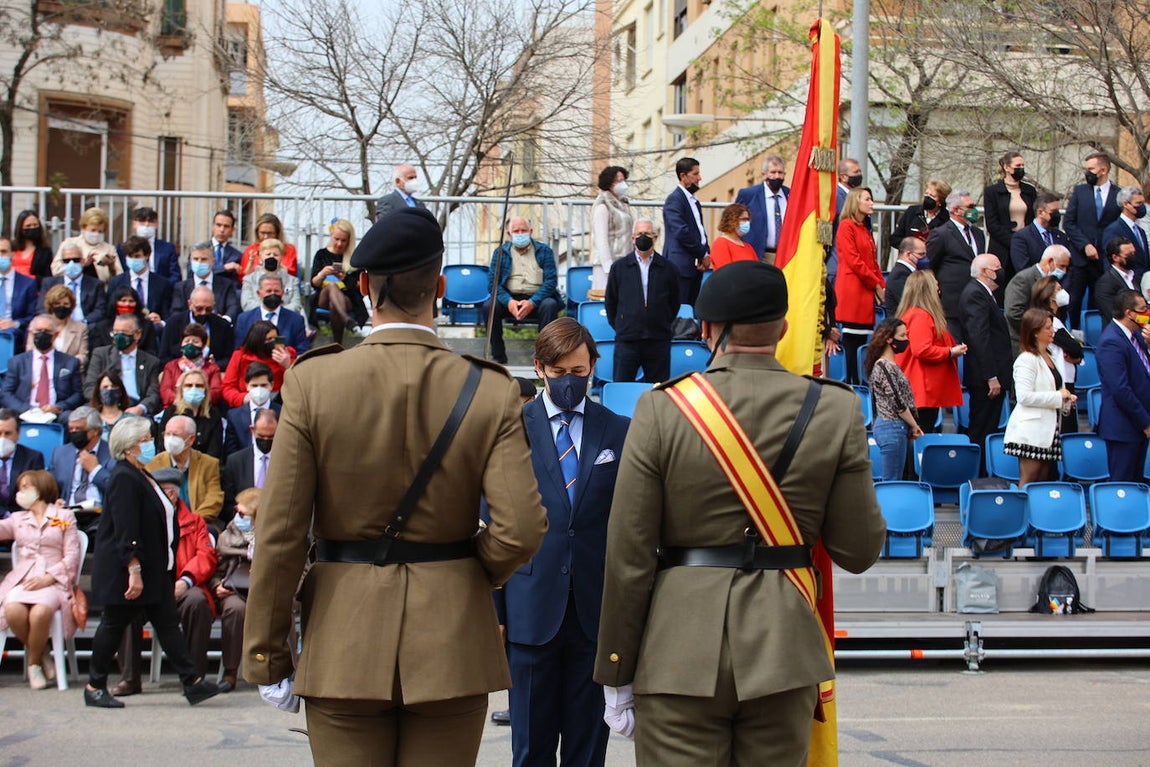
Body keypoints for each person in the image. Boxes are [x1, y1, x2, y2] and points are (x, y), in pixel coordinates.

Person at [243, 207, 548, 766]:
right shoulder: (490, 388)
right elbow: (522, 529)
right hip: (452, 642)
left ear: (364, 285)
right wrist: (459, 574)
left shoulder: (314, 381)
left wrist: (268, 655)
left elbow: (281, 533)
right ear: (438, 285)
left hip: (342, 639)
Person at [594, 260, 886, 766]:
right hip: (785, 650)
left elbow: (629, 554)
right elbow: (858, 550)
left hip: (677, 649)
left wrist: (616, 669)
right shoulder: (835, 409)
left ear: (706, 330)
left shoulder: (662, 409)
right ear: (784, 329)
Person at [495, 318, 629, 767]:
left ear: (594, 365)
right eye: (559, 372)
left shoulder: (619, 431)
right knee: (529, 749)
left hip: (596, 614)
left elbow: (632, 525)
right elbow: (491, 523)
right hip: (530, 613)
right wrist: (495, 611)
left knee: (588, 751)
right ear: (539, 368)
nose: (569, 381)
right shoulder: (511, 429)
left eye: (579, 371)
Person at [83, 416, 219, 708]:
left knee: (167, 623)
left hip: (154, 569)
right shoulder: (123, 477)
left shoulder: (142, 473)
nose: (149, 443)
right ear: (130, 447)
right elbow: (126, 527)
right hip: (130, 570)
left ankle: (191, 682)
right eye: (144, 440)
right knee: (113, 623)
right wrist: (134, 569)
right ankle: (94, 685)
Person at [111, 466, 218, 697]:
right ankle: (129, 678)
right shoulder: (141, 520)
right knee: (127, 605)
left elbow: (205, 555)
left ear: (172, 494)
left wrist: (185, 580)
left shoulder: (195, 522)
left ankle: (194, 678)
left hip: (182, 583)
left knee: (197, 602)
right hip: (150, 585)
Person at [0, 469, 80, 689]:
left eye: (26, 487)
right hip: (24, 578)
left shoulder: (64, 516)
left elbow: (72, 555)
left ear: (40, 488)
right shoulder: (17, 519)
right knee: (12, 608)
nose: (20, 492)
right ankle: (42, 654)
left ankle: (33, 664)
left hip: (53, 580)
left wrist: (49, 577)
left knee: (40, 613)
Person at [1004, 309, 1076, 487]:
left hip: (1050, 429)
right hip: (1032, 431)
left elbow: (1055, 389)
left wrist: (1066, 399)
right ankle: (1022, 515)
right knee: (1029, 481)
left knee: (1041, 482)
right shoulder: (1027, 359)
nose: (1053, 331)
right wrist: (1058, 396)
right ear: (1035, 331)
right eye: (1048, 328)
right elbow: (1024, 396)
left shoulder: (1050, 356)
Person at [604, 219, 680, 383]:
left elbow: (675, 301)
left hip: (658, 339)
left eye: (647, 233)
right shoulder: (619, 267)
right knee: (622, 387)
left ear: (655, 237)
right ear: (632, 238)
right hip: (627, 340)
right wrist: (621, 325)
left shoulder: (668, 268)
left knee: (657, 391)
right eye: (639, 234)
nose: (643, 237)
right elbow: (611, 301)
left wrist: (663, 321)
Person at [483, 217, 562, 364]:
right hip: (510, 299)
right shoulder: (500, 252)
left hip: (537, 299)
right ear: (509, 233)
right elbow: (493, 284)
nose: (520, 234)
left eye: (523, 230)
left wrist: (532, 302)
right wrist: (509, 302)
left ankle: (544, 357)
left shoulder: (544, 251)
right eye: (516, 231)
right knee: (489, 307)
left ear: (531, 231)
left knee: (550, 305)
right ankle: (498, 357)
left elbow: (551, 282)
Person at [895, 270, 966, 433]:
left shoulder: (912, 314)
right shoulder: (921, 316)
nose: (938, 287)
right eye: (935, 284)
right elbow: (922, 349)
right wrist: (950, 352)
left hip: (919, 388)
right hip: (921, 389)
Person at [959, 254, 1013, 462]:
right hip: (986, 378)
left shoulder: (984, 293)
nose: (1000, 270)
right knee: (982, 427)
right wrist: (991, 375)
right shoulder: (975, 294)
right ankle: (976, 473)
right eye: (996, 267)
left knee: (988, 426)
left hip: (992, 374)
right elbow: (979, 337)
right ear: (984, 272)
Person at [1097, 289, 1150, 481]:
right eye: (1143, 309)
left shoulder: (1136, 336)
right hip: (1124, 427)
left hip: (1138, 426)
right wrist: (1145, 422)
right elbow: (1121, 389)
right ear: (1129, 313)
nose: (1148, 313)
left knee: (1136, 483)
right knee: (1122, 484)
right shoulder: (1111, 341)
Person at [834, 186, 886, 384]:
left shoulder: (864, 228)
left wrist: (881, 283)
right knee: (851, 341)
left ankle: (860, 382)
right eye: (867, 199)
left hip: (865, 289)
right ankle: (852, 382)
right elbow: (854, 260)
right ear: (856, 202)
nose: (871, 202)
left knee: (862, 341)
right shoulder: (847, 226)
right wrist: (876, 284)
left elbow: (872, 260)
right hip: (853, 291)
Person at [1064, 152, 1121, 323]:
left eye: (1091, 169)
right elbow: (1069, 222)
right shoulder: (1080, 192)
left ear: (1103, 170)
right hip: (1081, 259)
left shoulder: (1118, 194)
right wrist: (1085, 245)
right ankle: (1074, 337)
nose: (1087, 172)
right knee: (1073, 301)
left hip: (1104, 259)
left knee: (1101, 302)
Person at [213, 486, 260, 693]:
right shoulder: (226, 536)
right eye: (236, 511)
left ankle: (281, 673)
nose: (237, 516)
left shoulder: (274, 536)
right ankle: (230, 671)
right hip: (234, 590)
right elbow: (215, 570)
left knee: (277, 609)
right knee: (234, 609)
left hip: (265, 592)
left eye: (243, 514)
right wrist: (218, 586)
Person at [867, 319, 923, 481]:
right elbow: (898, 402)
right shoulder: (884, 367)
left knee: (895, 478)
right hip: (892, 427)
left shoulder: (890, 365)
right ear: (889, 339)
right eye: (902, 335)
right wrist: (914, 425)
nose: (906, 339)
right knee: (892, 480)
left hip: (895, 427)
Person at [925, 190, 986, 340]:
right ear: (956, 210)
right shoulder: (941, 234)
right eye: (970, 206)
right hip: (952, 306)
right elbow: (929, 266)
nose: (974, 210)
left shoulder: (978, 234)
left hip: (975, 304)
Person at [0, 313, 84, 418]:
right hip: (24, 413)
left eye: (47, 331)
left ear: (56, 335)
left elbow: (78, 394)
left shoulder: (70, 362)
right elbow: (6, 393)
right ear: (31, 333)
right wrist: (27, 410)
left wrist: (58, 407)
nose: (42, 334)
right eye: (39, 331)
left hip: (56, 414)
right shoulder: (17, 362)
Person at [145, 414, 225, 525]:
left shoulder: (208, 464)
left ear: (191, 439)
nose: (170, 439)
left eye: (175, 435)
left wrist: (191, 521)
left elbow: (214, 499)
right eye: (167, 434)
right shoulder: (153, 464)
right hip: (164, 524)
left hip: (198, 524)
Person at [1029, 277, 1084, 436]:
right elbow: (1074, 347)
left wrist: (1077, 355)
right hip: (1057, 380)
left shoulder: (1059, 319)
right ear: (1048, 295)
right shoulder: (1046, 320)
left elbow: (1076, 351)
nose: (1063, 293)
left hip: (1066, 377)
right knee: (1064, 429)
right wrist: (1076, 352)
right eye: (1058, 290)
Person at [84, 313, 163, 417]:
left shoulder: (151, 361)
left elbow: (153, 394)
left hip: (135, 409)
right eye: (115, 332)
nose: (118, 336)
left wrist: (141, 408)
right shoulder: (101, 355)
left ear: (137, 334)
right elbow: (89, 387)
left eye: (123, 332)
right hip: (106, 406)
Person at [309, 219, 369, 343]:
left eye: (343, 240)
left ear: (349, 240)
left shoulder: (354, 258)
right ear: (331, 236)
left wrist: (345, 278)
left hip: (347, 298)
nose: (339, 244)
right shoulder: (321, 254)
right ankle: (347, 322)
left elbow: (361, 286)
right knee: (331, 286)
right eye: (336, 239)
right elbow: (314, 283)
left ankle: (337, 343)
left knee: (334, 305)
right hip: (323, 296)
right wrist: (322, 274)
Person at [1004, 244, 1071, 355]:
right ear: (1050, 262)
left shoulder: (1054, 281)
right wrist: (1039, 330)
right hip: (1024, 343)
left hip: (1048, 343)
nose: (1064, 271)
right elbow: (1013, 313)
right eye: (1062, 266)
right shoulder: (1023, 279)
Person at [662, 157, 710, 305]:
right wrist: (702, 253)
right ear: (683, 176)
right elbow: (681, 232)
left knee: (692, 309)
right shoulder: (674, 200)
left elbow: (699, 230)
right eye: (695, 174)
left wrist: (706, 252)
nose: (699, 178)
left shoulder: (694, 201)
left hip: (694, 266)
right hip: (680, 267)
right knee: (681, 310)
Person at [983, 150, 1036, 279]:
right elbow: (992, 223)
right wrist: (1014, 241)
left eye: (1023, 166)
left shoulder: (1030, 190)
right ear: (1007, 167)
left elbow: (1033, 218)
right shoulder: (992, 192)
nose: (1021, 169)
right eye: (1017, 166)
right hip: (1002, 247)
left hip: (1025, 245)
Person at [49, 406, 114, 508]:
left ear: (95, 431)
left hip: (99, 515)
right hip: (68, 513)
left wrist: (95, 470)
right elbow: (50, 487)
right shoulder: (60, 453)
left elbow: (118, 489)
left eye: (79, 429)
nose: (74, 432)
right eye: (71, 429)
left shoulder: (113, 453)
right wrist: (55, 501)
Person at [221, 320, 297, 408]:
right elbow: (228, 387)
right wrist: (243, 398)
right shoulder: (240, 356)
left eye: (275, 338)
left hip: (280, 404)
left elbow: (299, 385)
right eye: (269, 339)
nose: (273, 342)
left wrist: (288, 365)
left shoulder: (287, 355)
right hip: (247, 405)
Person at [155, 369, 224, 461]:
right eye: (189, 385)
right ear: (181, 390)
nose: (194, 389)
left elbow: (214, 451)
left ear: (205, 390)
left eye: (199, 386)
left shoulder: (213, 414)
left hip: (204, 468)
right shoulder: (171, 412)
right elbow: (163, 446)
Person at [159, 285, 236, 367]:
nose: (203, 313)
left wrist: (213, 365)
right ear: (190, 304)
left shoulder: (223, 326)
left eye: (208, 309)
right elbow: (164, 358)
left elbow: (229, 359)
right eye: (199, 309)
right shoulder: (173, 323)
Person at [233, 273, 310, 354]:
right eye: (268, 291)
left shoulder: (296, 320)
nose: (273, 294)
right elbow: (239, 350)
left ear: (282, 293)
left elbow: (302, 351)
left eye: (276, 291)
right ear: (259, 293)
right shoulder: (244, 319)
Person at [107, 236, 173, 330]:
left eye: (137, 256)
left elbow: (166, 313)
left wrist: (160, 321)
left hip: (151, 329)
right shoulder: (116, 282)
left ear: (147, 256)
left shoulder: (162, 283)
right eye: (130, 256)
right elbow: (110, 311)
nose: (133, 260)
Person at [222, 407, 277, 516]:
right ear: (252, 430)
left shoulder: (287, 462)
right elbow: (226, 504)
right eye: (261, 436)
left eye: (271, 437)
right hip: (244, 526)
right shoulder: (236, 461)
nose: (265, 440)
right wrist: (240, 513)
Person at [170, 242, 243, 323]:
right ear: (190, 261)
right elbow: (176, 312)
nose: (199, 262)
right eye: (196, 259)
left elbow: (232, 307)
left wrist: (223, 321)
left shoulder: (226, 284)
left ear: (213, 261)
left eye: (204, 259)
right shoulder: (181, 287)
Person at [734, 154, 789, 260]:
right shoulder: (749, 195)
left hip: (785, 257)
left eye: (780, 172)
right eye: (773, 172)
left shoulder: (791, 195)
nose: (777, 176)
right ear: (764, 174)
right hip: (757, 255)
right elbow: (733, 222)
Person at [39, 241, 107, 327]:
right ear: (62, 263)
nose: (71, 264)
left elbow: (100, 310)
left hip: (86, 328)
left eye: (76, 260)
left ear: (82, 261)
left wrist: (83, 324)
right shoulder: (49, 283)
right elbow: (42, 309)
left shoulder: (96, 284)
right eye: (66, 261)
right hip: (56, 327)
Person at [222, 362, 281, 456]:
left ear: (271, 385)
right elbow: (231, 454)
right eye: (254, 385)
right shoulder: (234, 416)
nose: (259, 389)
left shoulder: (283, 413)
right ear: (247, 386)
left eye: (263, 385)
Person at [590, 166, 634, 292]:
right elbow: (601, 239)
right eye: (618, 181)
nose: (623, 184)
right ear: (609, 183)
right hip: (607, 266)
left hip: (625, 262)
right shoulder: (602, 206)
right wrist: (609, 267)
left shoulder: (624, 205)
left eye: (624, 180)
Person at [159, 323, 224, 408]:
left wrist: (198, 401)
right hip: (175, 408)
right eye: (187, 341)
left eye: (195, 342)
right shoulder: (171, 366)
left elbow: (216, 392)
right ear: (181, 344)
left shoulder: (213, 368)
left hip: (203, 410)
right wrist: (182, 401)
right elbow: (165, 391)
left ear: (203, 346)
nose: (190, 345)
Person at [52, 207, 122, 283]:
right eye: (93, 230)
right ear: (84, 227)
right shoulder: (70, 243)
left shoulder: (109, 249)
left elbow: (120, 276)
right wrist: (81, 264)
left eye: (100, 231)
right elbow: (56, 270)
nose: (96, 234)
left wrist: (111, 266)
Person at [116, 206, 182, 285]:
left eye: (150, 221)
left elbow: (175, 275)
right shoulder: (123, 248)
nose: (146, 224)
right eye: (142, 221)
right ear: (134, 224)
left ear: (156, 224)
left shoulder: (167, 248)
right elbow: (120, 273)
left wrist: (163, 287)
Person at [0, 408, 46, 515]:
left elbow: (36, 497)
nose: (2, 438)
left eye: (8, 433)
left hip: (22, 520)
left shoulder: (33, 458)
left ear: (18, 434)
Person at [240, 239, 304, 315]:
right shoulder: (249, 279)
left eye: (276, 255)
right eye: (268, 254)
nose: (272, 257)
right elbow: (247, 304)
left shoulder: (292, 280)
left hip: (285, 319)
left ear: (281, 257)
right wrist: (267, 311)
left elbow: (296, 305)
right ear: (260, 256)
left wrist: (277, 313)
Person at [1010, 192, 1070, 274]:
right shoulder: (1022, 237)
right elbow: (1023, 270)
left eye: (1058, 211)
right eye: (1053, 211)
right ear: (1040, 212)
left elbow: (1069, 267)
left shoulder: (1061, 237)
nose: (1057, 215)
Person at [32, 284, 89, 369]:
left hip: (69, 372)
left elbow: (83, 356)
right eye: (57, 304)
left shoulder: (81, 328)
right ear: (51, 305)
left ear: (71, 306)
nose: (61, 307)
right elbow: (30, 350)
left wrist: (67, 363)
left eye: (66, 304)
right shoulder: (37, 323)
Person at [1102, 186, 1150, 283]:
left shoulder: (1140, 231)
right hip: (1125, 286)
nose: (1142, 207)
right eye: (1138, 203)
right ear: (1125, 204)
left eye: (1142, 203)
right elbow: (1109, 263)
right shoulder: (1113, 230)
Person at [94, 285, 159, 356]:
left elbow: (152, 352)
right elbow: (98, 354)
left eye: (131, 301)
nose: (127, 304)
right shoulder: (102, 327)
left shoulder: (146, 325)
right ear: (115, 303)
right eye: (123, 300)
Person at [0, 235, 41, 347]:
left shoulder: (27, 283)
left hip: (14, 335)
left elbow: (32, 315)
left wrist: (14, 323)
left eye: (3, 251)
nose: (0, 255)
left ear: (12, 254)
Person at [828, 157, 864, 281]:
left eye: (860, 171)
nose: (859, 175)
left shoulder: (859, 196)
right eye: (855, 172)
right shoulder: (836, 197)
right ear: (843, 177)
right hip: (838, 261)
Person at [891, 179, 951, 245]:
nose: (928, 197)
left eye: (932, 196)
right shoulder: (912, 212)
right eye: (926, 194)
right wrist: (911, 246)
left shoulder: (946, 218)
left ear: (940, 201)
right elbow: (895, 238)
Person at [239, 213, 299, 278]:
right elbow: (243, 277)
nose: (266, 237)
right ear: (257, 232)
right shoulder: (250, 250)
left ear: (277, 233)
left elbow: (291, 273)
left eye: (270, 233)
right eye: (262, 233)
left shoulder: (289, 249)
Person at [1094, 237, 1138, 321]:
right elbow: (1114, 315)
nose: (1133, 257)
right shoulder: (1105, 283)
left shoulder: (1135, 277)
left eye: (1134, 253)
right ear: (1115, 257)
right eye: (1129, 255)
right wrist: (1145, 320)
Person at [884, 237, 927, 316]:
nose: (924, 258)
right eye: (921, 254)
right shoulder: (899, 275)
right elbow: (909, 302)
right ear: (908, 254)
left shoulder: (905, 272)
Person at [709, 203, 758, 269]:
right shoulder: (721, 243)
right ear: (731, 220)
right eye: (743, 219)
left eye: (748, 220)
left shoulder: (748, 247)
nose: (747, 223)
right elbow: (724, 272)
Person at [11, 210, 54, 284]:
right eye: (28, 226)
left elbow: (47, 277)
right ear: (20, 228)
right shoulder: (11, 247)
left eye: (35, 225)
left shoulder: (44, 252)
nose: (32, 228)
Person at [89, 370, 129, 442]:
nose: (110, 389)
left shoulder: (131, 420)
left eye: (113, 386)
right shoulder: (91, 422)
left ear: (120, 391)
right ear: (98, 393)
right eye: (105, 387)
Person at [207, 210, 243, 281]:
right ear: (212, 226)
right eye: (218, 225)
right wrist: (224, 268)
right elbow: (194, 273)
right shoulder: (199, 250)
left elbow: (235, 284)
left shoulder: (237, 256)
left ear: (232, 230)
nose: (222, 230)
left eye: (226, 226)